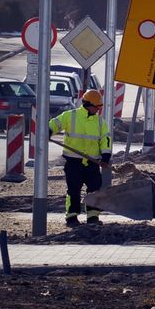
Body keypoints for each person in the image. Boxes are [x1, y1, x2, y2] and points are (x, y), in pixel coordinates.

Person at [48, 89, 111, 227]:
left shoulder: (100, 122)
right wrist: (49, 130)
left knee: (94, 189)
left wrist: (105, 156)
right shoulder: (71, 116)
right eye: (97, 107)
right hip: (73, 161)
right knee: (73, 189)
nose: (99, 110)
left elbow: (105, 139)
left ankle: (93, 216)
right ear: (88, 104)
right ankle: (71, 216)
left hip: (92, 162)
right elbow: (55, 123)